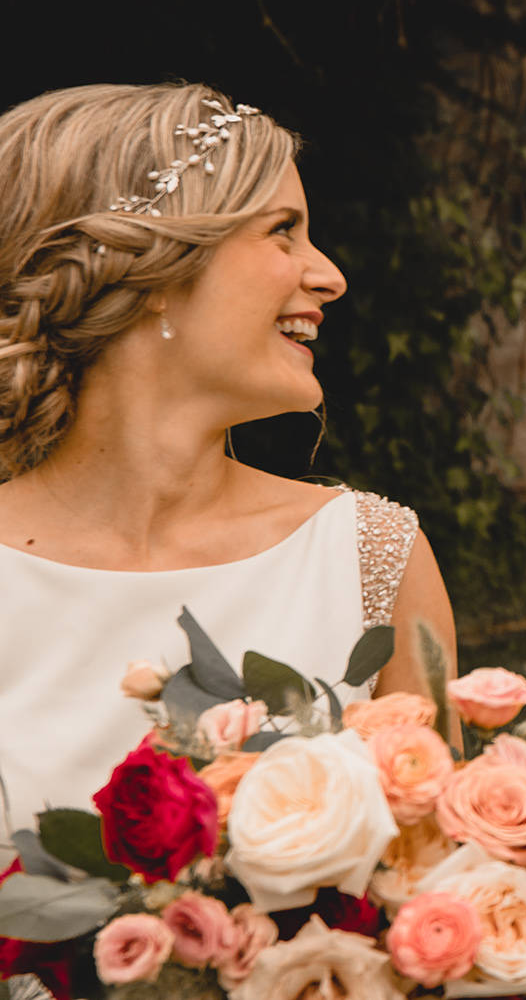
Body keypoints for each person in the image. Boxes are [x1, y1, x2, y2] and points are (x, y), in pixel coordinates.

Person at [0, 83, 456, 843]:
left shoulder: (369, 556)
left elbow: (438, 878)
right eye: (283, 232)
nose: (329, 276)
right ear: (154, 270)